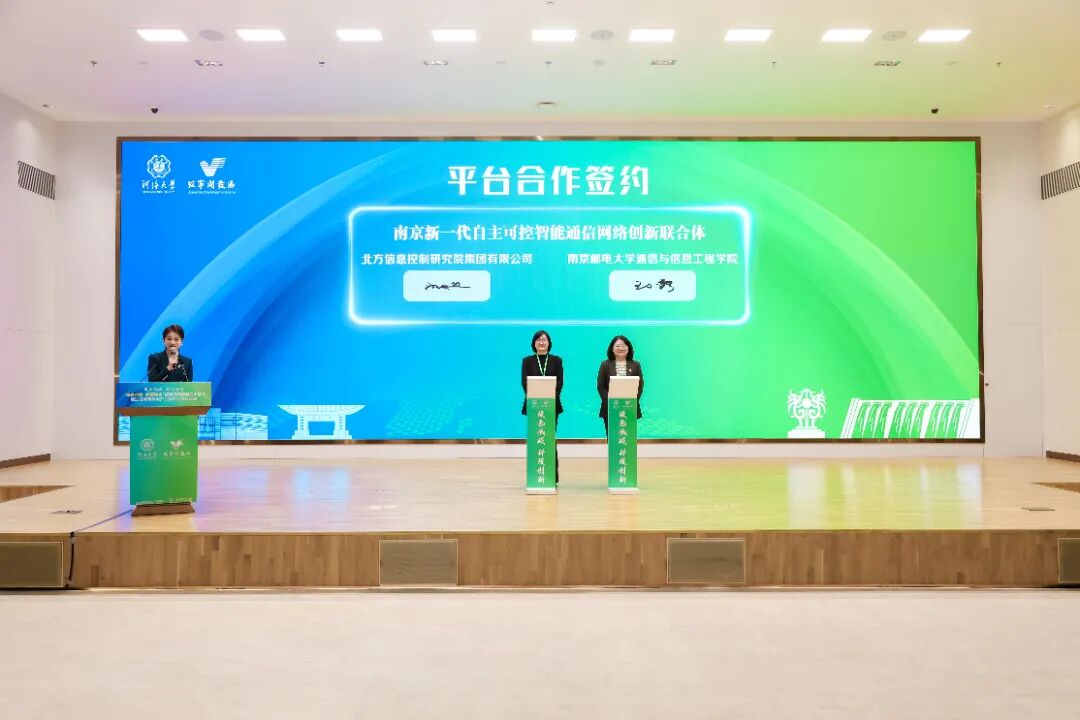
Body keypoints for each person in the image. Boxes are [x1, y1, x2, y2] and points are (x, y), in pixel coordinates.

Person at [521, 330, 563, 484]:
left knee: (549, 439)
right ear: (534, 343)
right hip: (534, 405)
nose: (541, 342)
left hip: (551, 405)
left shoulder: (556, 360)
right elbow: (524, 382)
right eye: (538, 340)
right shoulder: (527, 361)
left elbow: (560, 382)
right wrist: (536, 396)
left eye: (544, 339)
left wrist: (549, 397)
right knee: (536, 439)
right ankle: (536, 476)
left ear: (549, 343)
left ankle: (552, 476)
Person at [596, 335, 644, 435]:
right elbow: (601, 386)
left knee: (628, 436)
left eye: (624, 346)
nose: (621, 348)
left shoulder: (636, 365)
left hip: (630, 406)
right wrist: (612, 402)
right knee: (613, 436)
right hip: (610, 407)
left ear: (629, 348)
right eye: (617, 346)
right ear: (612, 348)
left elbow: (640, 386)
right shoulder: (605, 365)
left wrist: (631, 401)